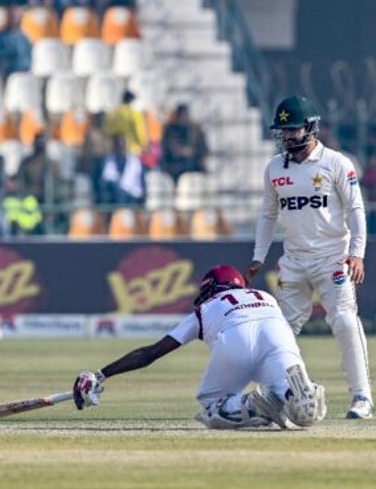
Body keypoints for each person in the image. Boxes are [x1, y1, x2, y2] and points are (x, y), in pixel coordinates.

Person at [73, 265, 327, 430]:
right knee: (299, 410)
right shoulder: (264, 295)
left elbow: (150, 354)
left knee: (211, 405)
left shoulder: (205, 308)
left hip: (237, 336)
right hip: (279, 336)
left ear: (211, 289)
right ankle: (296, 392)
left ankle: (253, 404)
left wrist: (99, 374)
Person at [244, 95, 372, 419]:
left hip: (333, 258)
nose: (286, 136)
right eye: (282, 130)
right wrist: (259, 256)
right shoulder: (275, 168)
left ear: (311, 128)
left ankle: (362, 396)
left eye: (293, 129)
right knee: (282, 329)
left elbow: (357, 210)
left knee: (343, 320)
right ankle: (281, 393)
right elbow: (267, 215)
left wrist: (356, 253)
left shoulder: (337, 163)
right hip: (294, 260)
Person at [160, 103, 208, 182]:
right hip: (174, 165)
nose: (183, 118)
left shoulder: (195, 129)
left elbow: (203, 148)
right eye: (181, 116)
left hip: (193, 164)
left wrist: (192, 152)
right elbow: (166, 146)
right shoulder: (170, 129)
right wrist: (179, 151)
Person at [0, 6, 32, 82]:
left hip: (24, 72)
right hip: (6, 72)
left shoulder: (23, 35)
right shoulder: (0, 36)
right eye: (12, 15)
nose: (15, 17)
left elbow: (28, 55)